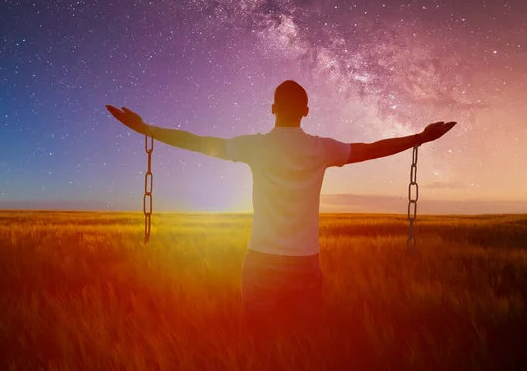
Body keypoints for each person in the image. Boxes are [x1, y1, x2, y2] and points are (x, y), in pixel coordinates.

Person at [106, 80, 456, 336]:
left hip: (260, 260)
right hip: (306, 263)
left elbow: (199, 143)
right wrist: (418, 138)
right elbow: (371, 148)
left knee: (257, 341)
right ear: (305, 111)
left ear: (272, 109)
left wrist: (145, 128)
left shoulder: (254, 147)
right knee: (304, 340)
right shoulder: (322, 149)